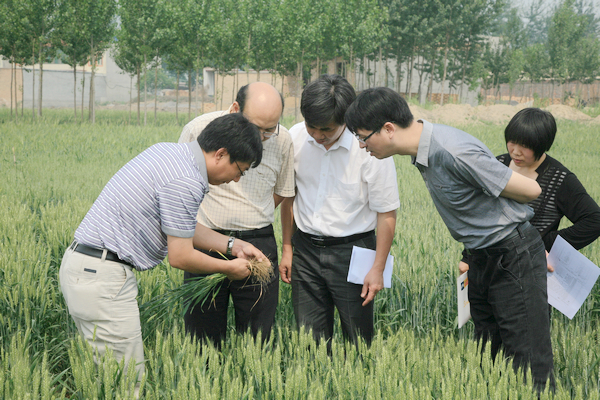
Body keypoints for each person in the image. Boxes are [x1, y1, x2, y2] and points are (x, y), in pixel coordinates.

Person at [344, 87, 554, 391]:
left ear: (388, 129)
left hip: (512, 255)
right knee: (490, 355)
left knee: (528, 359)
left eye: (363, 137)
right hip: (481, 257)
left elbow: (531, 191)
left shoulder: (452, 150)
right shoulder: (423, 150)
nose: (362, 146)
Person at [59, 113, 266, 394]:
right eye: (239, 170)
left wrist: (232, 246)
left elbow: (179, 225)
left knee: (112, 380)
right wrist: (229, 268)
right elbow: (180, 256)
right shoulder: (186, 180)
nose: (235, 180)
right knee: (127, 385)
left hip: (89, 269)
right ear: (221, 154)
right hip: (103, 278)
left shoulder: (168, 153)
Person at [279, 75, 399, 348]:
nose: (318, 135)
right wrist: (287, 248)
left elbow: (386, 213)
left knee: (358, 340)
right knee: (309, 341)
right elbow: (288, 198)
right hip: (305, 250)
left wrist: (377, 268)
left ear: (346, 120)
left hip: (354, 252)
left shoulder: (370, 147)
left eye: (327, 129)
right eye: (312, 127)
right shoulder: (295, 137)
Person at [178, 82, 295, 347]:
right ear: (234, 109)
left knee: (258, 338)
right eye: (256, 128)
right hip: (205, 241)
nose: (263, 137)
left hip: (258, 245)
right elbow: (181, 187)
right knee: (202, 336)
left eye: (270, 129)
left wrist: (253, 216)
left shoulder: (284, 140)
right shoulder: (198, 129)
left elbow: (282, 193)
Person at [459, 108, 600, 275]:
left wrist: (541, 245)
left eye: (525, 146)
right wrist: (467, 257)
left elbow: (594, 220)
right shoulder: (496, 165)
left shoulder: (559, 179)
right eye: (512, 141)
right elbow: (478, 213)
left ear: (542, 145)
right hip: (484, 268)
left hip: (526, 274)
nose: (516, 151)